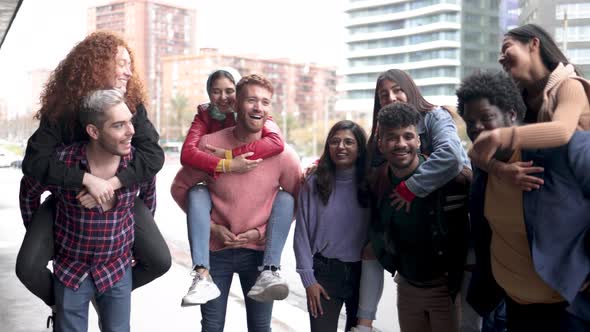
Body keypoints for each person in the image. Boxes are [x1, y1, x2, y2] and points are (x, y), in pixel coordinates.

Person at [15, 32, 170, 327]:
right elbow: (35, 164)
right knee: (28, 267)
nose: (128, 71)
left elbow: (152, 157)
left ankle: (105, 291)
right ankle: (64, 300)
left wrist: (111, 184)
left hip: (121, 191)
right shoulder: (62, 111)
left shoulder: (130, 107)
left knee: (160, 260)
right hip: (67, 193)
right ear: (97, 66)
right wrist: (85, 180)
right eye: (121, 63)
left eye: (129, 64)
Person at [457, 71, 590, 331]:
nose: (477, 129)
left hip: (566, 311)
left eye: (486, 118)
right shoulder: (484, 167)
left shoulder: (556, 150)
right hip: (512, 308)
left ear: (512, 114)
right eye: (471, 122)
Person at [170, 74, 302, 332]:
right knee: (212, 326)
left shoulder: (283, 154)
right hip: (216, 252)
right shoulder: (209, 145)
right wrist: (211, 227)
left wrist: (259, 233)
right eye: (252, 100)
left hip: (258, 255)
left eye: (265, 102)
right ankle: (200, 274)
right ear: (236, 103)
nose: (258, 107)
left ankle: (271, 270)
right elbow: (179, 188)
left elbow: (298, 201)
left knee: (260, 327)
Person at [353, 69, 471, 332]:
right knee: (371, 246)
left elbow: (451, 157)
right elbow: (366, 171)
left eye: (397, 90)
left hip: (447, 260)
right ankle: (364, 322)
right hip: (409, 272)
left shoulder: (434, 116)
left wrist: (411, 188)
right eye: (384, 95)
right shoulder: (381, 140)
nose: (392, 97)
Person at [469, 23, 590, 187]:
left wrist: (502, 136)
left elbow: (562, 131)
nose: (501, 58)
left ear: (534, 44)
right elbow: (475, 152)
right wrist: (501, 170)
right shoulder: (513, 100)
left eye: (507, 47)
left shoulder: (570, 85)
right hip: (541, 200)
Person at [293, 120, 369, 332]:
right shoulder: (314, 182)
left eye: (348, 142)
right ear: (328, 147)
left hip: (363, 275)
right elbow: (301, 236)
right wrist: (309, 280)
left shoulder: (371, 183)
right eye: (334, 142)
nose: (341, 147)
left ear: (360, 148)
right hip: (324, 275)